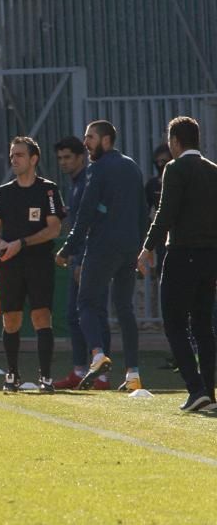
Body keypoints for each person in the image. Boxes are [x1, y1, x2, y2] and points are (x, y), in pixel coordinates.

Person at [56, 121, 146, 392]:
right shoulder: (132, 166)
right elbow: (143, 211)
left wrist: (68, 248)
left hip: (102, 246)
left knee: (85, 304)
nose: (86, 142)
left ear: (106, 140)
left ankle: (97, 356)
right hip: (129, 247)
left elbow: (85, 213)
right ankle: (133, 375)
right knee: (124, 309)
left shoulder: (96, 168)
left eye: (90, 137)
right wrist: (142, 249)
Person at [137, 116, 217, 412]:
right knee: (203, 325)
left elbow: (165, 213)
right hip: (210, 256)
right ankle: (208, 390)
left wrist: (147, 248)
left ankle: (195, 389)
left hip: (183, 253)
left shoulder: (175, 168)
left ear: (175, 141)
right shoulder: (213, 170)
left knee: (173, 323)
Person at [0, 136, 64, 394]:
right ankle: (13, 373)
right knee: (11, 319)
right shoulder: (3, 192)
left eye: (19, 155)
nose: (14, 159)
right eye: (12, 155)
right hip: (10, 264)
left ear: (33, 159)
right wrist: (3, 244)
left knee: (41, 316)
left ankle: (46, 376)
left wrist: (23, 243)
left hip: (39, 262)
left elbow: (54, 228)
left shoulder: (48, 190)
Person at [50, 135, 107, 390]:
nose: (63, 162)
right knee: (74, 316)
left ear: (81, 157)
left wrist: (82, 259)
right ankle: (80, 370)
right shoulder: (75, 184)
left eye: (68, 157)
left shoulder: (87, 183)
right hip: (81, 256)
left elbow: (90, 224)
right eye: (60, 158)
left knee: (93, 312)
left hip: (90, 257)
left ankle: (102, 375)